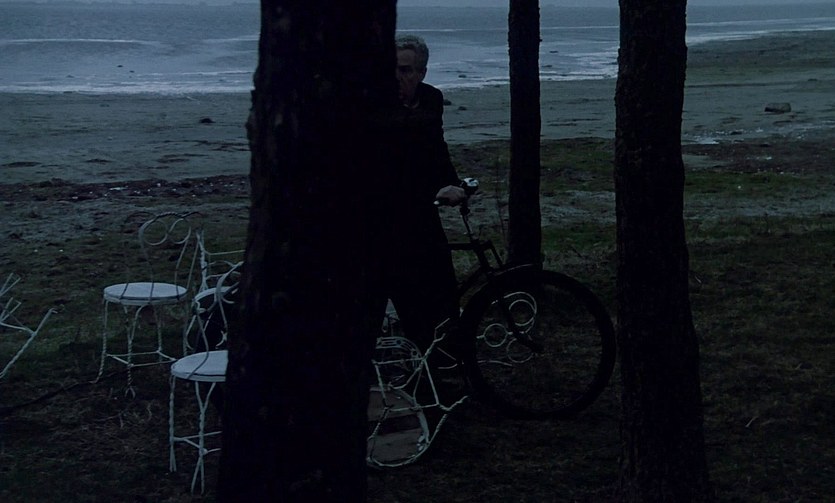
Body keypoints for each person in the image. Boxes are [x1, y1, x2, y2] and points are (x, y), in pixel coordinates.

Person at [371, 34, 467, 357]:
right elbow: (387, 169)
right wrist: (433, 190)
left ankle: (440, 358)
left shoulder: (431, 99)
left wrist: (454, 183)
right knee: (396, 289)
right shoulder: (375, 107)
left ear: (421, 72)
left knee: (443, 284)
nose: (397, 77)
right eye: (392, 69)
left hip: (421, 212)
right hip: (380, 215)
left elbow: (436, 148)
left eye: (405, 70)